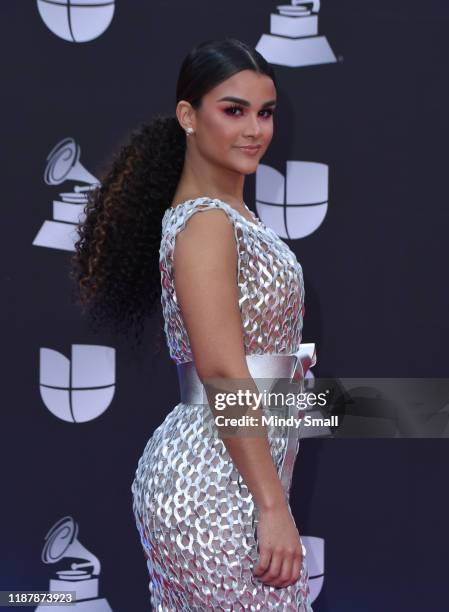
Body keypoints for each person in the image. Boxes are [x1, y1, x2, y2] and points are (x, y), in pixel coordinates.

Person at [70, 37, 312, 611]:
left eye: (265, 112)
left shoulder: (231, 217)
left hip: (237, 473)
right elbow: (225, 372)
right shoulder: (205, 223)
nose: (255, 129)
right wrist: (272, 507)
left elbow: (255, 366)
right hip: (213, 485)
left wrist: (290, 373)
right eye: (234, 111)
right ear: (188, 116)